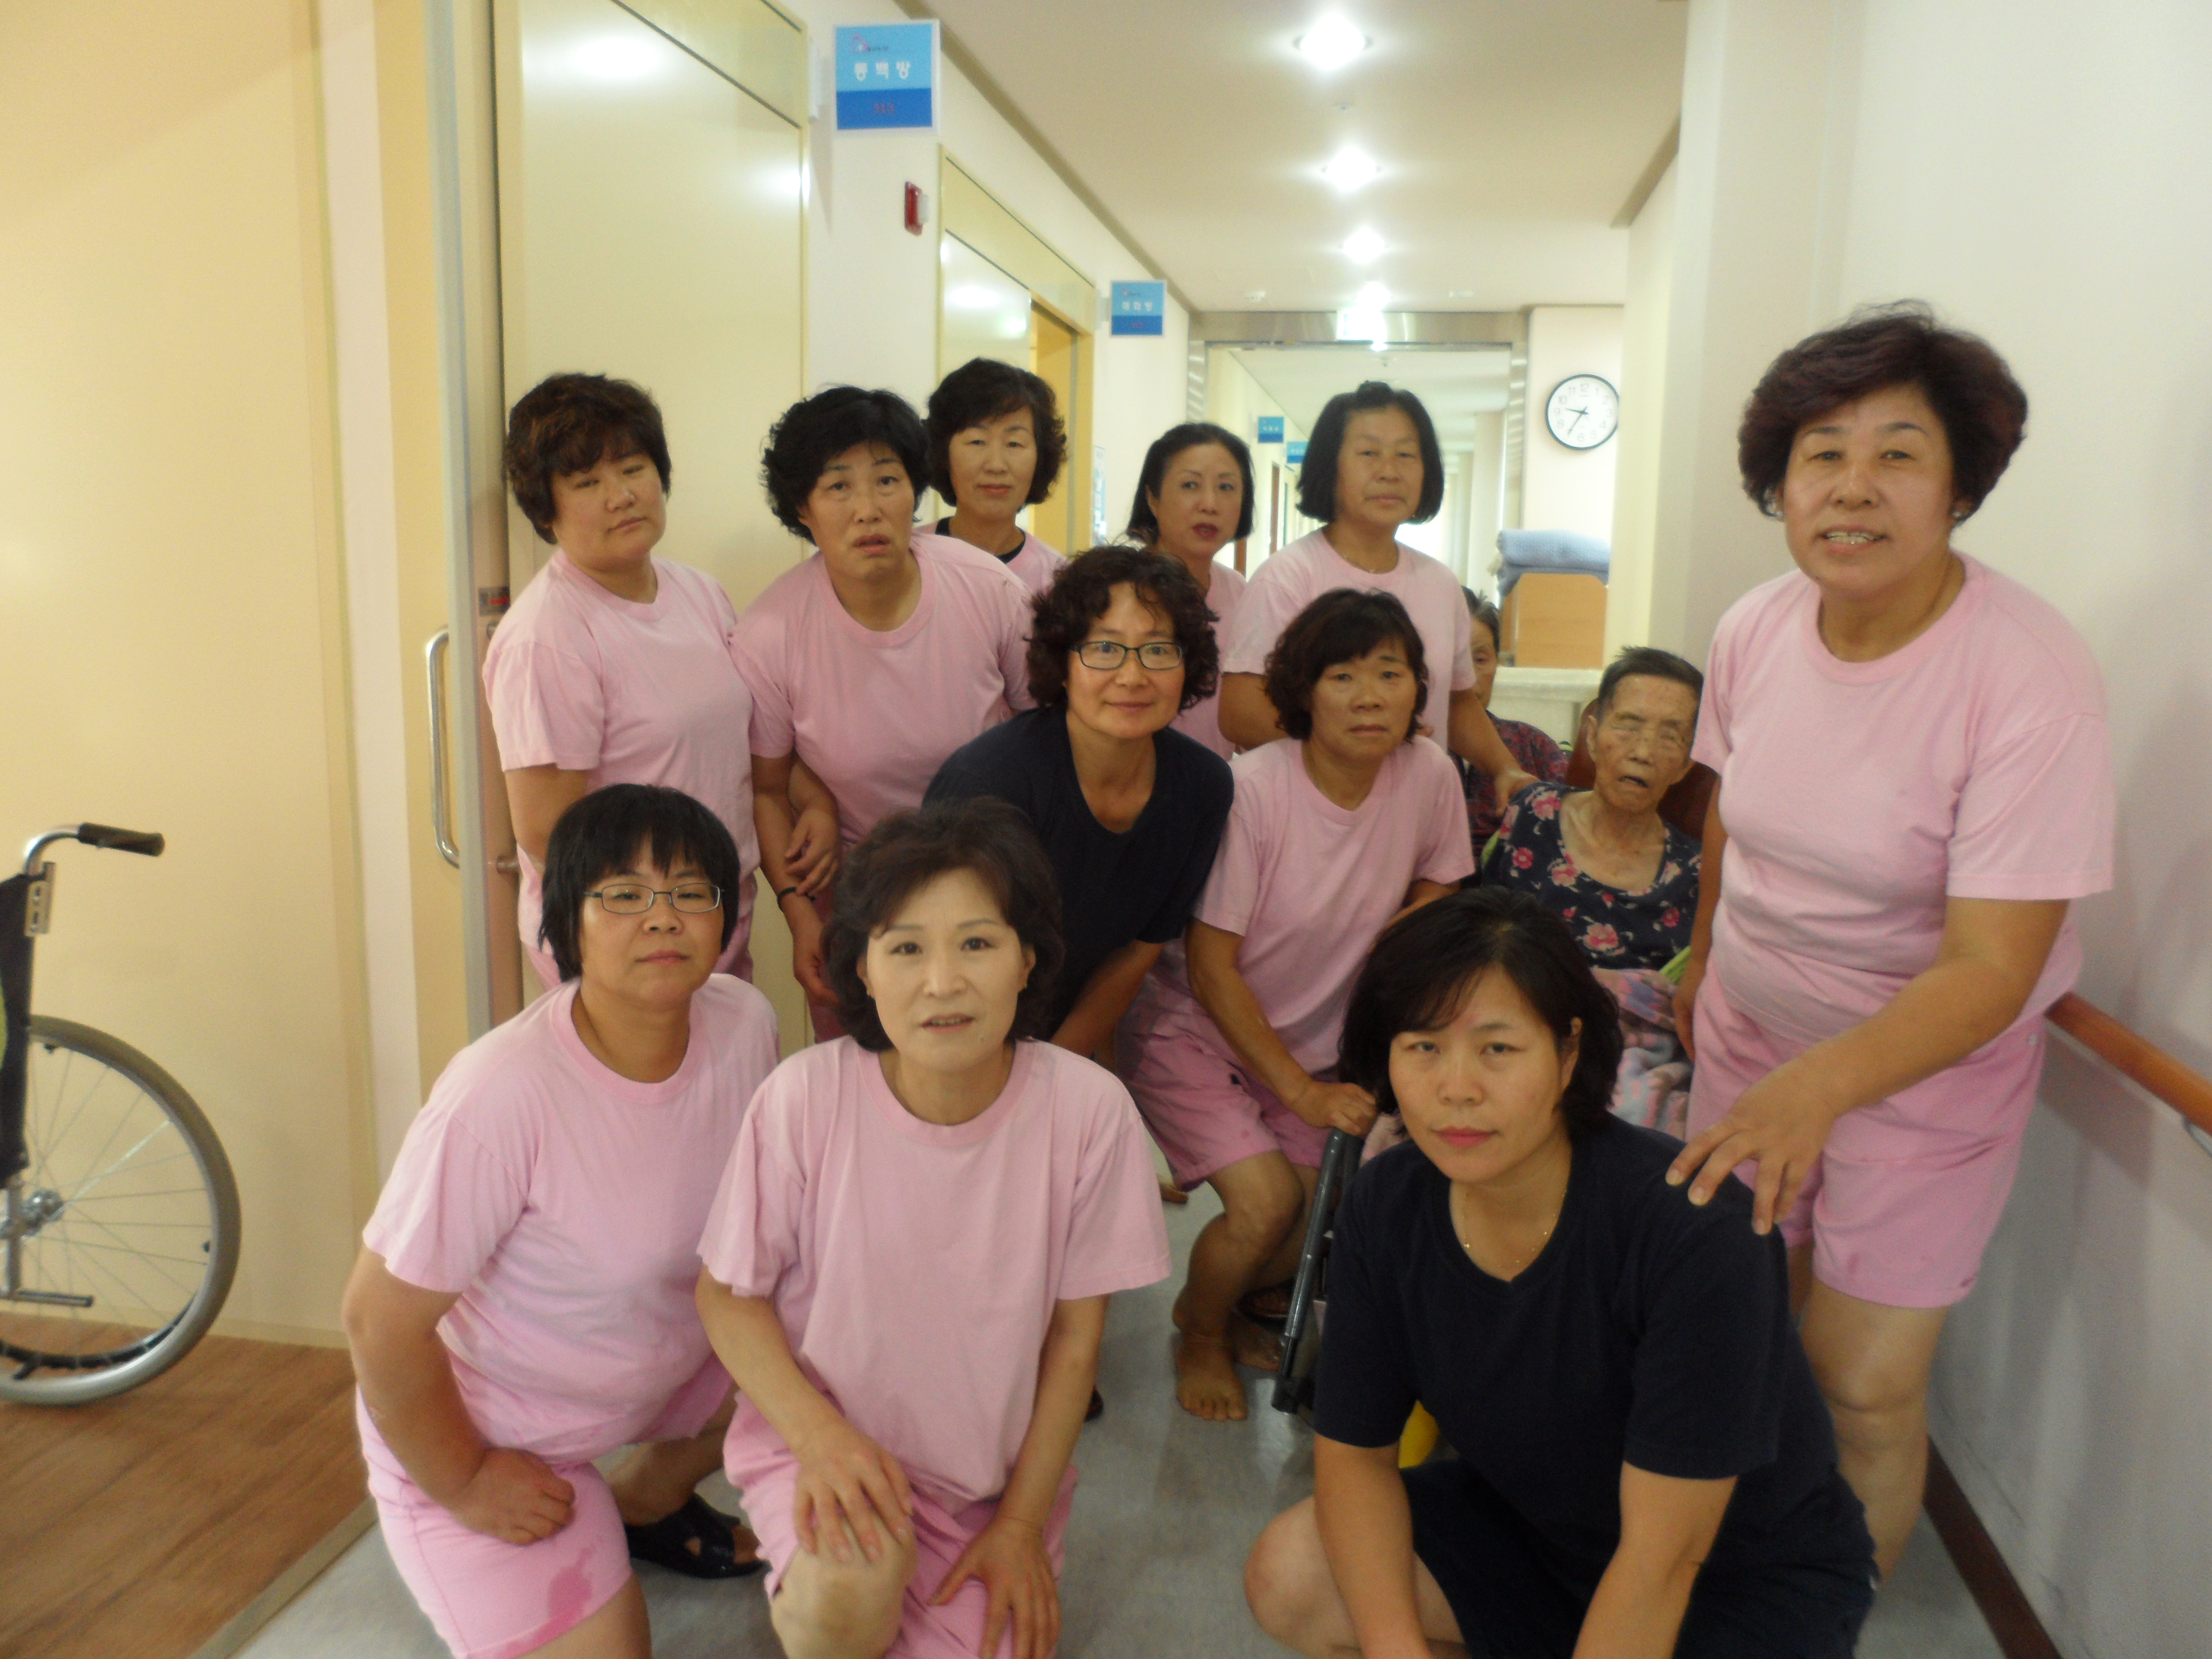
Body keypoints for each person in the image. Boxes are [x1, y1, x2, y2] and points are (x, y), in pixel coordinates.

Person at [1668, 303, 2114, 1577]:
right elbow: (1728, 821)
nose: (1853, 487)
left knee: (1860, 1381)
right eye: (1823, 453)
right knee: (1746, 1330)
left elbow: (1992, 969)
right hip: (1752, 1033)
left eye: (1899, 454)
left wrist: (1820, 1088)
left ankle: (1819, 1616)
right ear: (1781, 482)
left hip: (1926, 1073)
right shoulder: (1757, 627)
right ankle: (1732, 1571)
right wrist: (1704, 962)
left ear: (1962, 486)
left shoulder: (2025, 675)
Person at [1243, 890, 1876, 1659]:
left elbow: (1664, 1558)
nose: (1457, 1089)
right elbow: (1356, 1456)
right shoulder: (1387, 1204)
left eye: (1498, 1049)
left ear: (1568, 1053)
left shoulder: (1697, 1237)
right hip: (1534, 1532)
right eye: (1423, 1048)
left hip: (1730, 1579)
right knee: (1292, 1573)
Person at [695, 799, 1170, 1659]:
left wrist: (1020, 1523)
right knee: (849, 1596)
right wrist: (820, 1439)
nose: (942, 982)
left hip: (985, 1481)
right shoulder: (805, 1098)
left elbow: (1074, 1343)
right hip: (824, 1440)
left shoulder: (1089, 1112)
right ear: (863, 969)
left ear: (1028, 959)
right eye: (906, 948)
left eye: (977, 944)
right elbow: (726, 1297)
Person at [342, 785, 783, 1659]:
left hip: (662, 1380)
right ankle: (526, 1512)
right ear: (566, 920)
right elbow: (377, 1321)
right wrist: (465, 1478)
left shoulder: (745, 1023)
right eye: (624, 893)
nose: (662, 916)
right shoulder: (500, 1094)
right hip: (497, 1434)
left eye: (690, 891)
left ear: (727, 916)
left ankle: (644, 1498)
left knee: (848, 1330)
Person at [1121, 590, 1473, 1421]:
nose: (1368, 696)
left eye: (1389, 673)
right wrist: (1302, 1094)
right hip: (1194, 1030)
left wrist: (1402, 927)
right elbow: (1211, 969)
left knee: (1323, 1208)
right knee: (1267, 1203)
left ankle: (1219, 1305)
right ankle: (1201, 1334)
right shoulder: (1253, 789)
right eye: (1342, 676)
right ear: (1302, 693)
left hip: (1315, 1041)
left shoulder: (1429, 774)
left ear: (1416, 689)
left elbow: (1444, 881)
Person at [485, 373, 837, 988]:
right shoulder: (547, 636)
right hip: (630, 942)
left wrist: (815, 801)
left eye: (633, 468)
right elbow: (549, 835)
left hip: (714, 912)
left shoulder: (698, 592)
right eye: (587, 482)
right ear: (545, 509)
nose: (621, 496)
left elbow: (744, 741)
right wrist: (660, 924)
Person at [735, 385, 1035, 1034]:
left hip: (994, 881)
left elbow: (1051, 738)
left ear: (915, 492)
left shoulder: (988, 589)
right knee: (865, 1074)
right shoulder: (770, 633)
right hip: (860, 900)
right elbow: (767, 788)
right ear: (803, 508)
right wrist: (800, 917)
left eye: (887, 481)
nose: (868, 509)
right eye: (838, 487)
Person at [927, 544, 1233, 1061]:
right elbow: (948, 957)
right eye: (1105, 649)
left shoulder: (1202, 787)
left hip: (1070, 1042)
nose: (1132, 677)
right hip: (956, 1031)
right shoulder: (989, 783)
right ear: (1063, 663)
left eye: (1158, 650)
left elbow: (1139, 950)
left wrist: (1058, 1073)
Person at [1216, 381, 1534, 804]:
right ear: (1331, 468)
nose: (1389, 471)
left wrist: (1505, 767)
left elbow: (1456, 703)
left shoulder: (1440, 584)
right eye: (1368, 453)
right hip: (1313, 812)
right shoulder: (1288, 577)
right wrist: (1367, 739)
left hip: (1415, 809)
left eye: (1406, 455)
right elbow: (1240, 714)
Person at [1485, 648, 1704, 971]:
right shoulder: (1533, 812)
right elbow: (1481, 934)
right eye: (1628, 726)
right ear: (1592, 736)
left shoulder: (1696, 874)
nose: (1643, 753)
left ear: (1686, 765)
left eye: (1669, 737)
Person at [1126, 421, 1256, 759]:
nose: (1210, 504)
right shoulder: (1117, 589)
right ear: (1153, 499)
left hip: (1213, 781)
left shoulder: (1242, 594)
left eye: (1226, 487)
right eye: (1190, 485)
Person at [925, 357, 1069, 596]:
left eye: (1014, 443)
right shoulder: (907, 560)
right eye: (977, 441)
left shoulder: (1059, 583)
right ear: (942, 452)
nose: (996, 465)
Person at [1459, 586, 1566, 852]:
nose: (1467, 678)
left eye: (1480, 659)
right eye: (1453, 661)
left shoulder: (1533, 747)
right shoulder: (1403, 751)